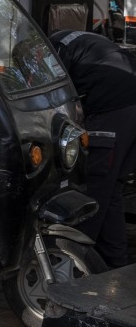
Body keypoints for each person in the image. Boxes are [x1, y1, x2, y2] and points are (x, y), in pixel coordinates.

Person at [49, 29, 136, 269]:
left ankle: (73, 265)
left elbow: (54, 99)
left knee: (92, 190)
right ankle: (115, 264)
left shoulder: (51, 53)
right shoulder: (74, 39)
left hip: (113, 110)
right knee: (111, 189)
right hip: (129, 106)